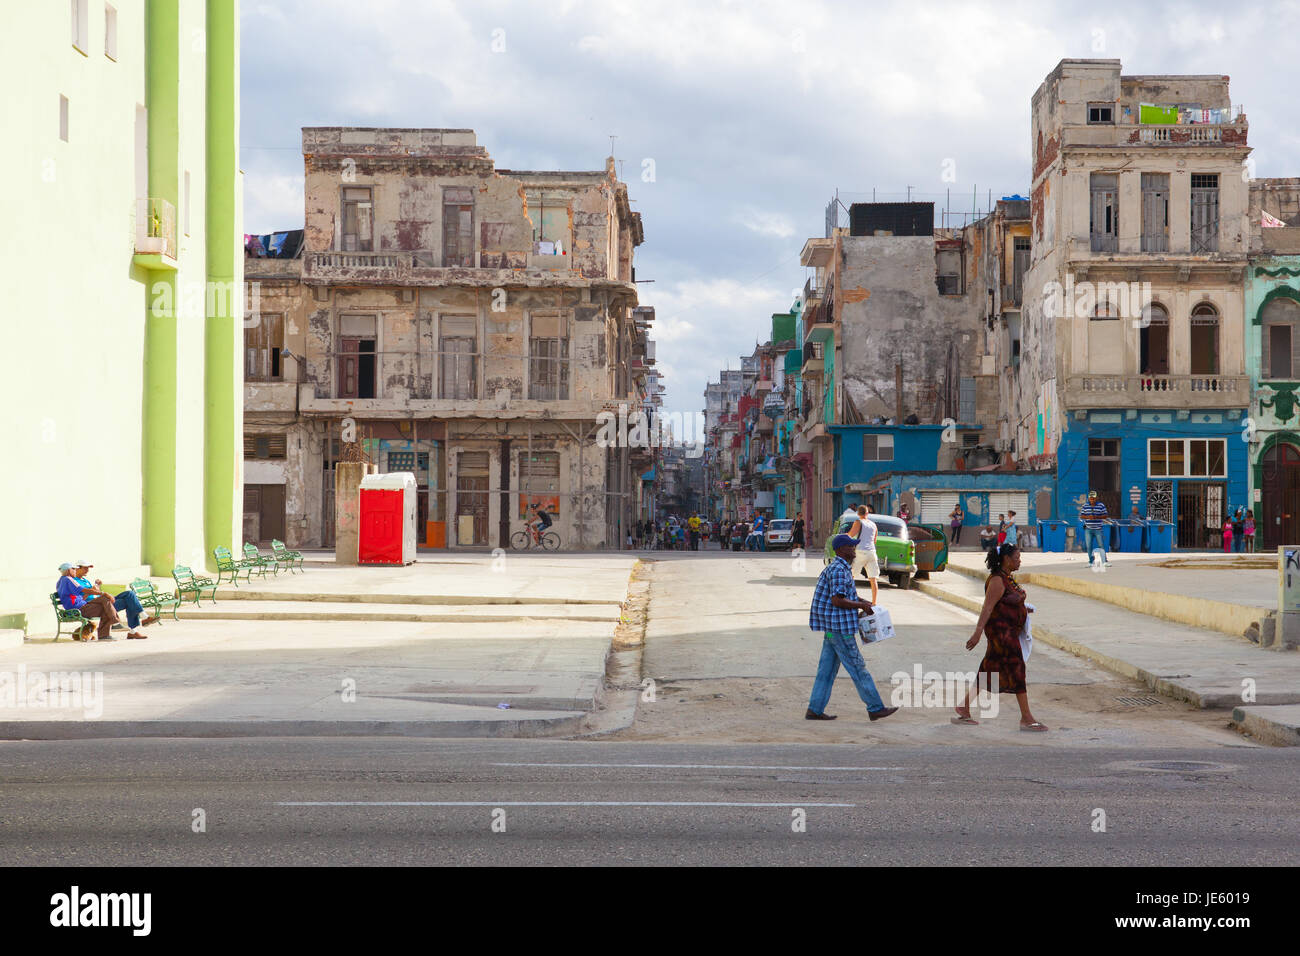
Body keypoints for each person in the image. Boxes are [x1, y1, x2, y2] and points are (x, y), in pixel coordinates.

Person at [951, 542, 1047, 731]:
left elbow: (1006, 602)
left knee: (988, 669)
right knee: (1017, 670)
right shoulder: (997, 581)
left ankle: (964, 707)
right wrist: (977, 633)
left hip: (1008, 632)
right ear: (1006, 559)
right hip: (1001, 634)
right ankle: (1026, 718)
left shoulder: (1007, 578)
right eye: (1017, 557)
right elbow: (987, 608)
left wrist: (1022, 609)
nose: (1020, 561)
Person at [804, 534, 898, 723]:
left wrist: (864, 602)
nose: (854, 549)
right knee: (858, 668)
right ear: (840, 550)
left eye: (854, 546)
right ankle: (875, 707)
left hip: (833, 630)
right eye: (850, 546)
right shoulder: (839, 570)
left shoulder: (840, 568)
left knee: (826, 670)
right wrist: (860, 606)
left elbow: (846, 595)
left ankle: (815, 709)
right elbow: (837, 600)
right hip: (840, 630)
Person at [73, 561, 155, 639]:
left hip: (100, 602)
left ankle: (143, 618)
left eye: (88, 568)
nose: (87, 570)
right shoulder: (74, 582)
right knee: (128, 601)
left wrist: (97, 586)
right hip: (91, 605)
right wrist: (91, 591)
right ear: (77, 568)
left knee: (129, 594)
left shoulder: (85, 580)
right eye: (85, 568)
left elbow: (94, 592)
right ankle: (135, 628)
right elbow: (79, 600)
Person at [55, 563, 123, 641]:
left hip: (80, 605)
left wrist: (101, 592)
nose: (75, 571)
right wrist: (104, 593)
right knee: (105, 605)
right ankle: (109, 628)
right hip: (79, 608)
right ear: (68, 570)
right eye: (73, 569)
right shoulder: (68, 579)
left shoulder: (60, 581)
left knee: (105, 601)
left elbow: (80, 593)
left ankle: (114, 623)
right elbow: (83, 590)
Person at [848, 504, 880, 604]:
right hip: (872, 552)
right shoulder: (873, 524)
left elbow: (850, 535)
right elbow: (874, 540)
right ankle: (874, 602)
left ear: (858, 513)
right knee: (873, 579)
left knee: (851, 577)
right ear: (867, 513)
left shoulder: (858, 522)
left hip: (861, 552)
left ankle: (849, 599)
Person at [1079, 491, 1109, 566]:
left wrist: (1096, 517)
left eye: (1093, 498)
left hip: (1098, 529)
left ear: (1096, 498)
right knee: (1089, 546)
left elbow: (1105, 516)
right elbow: (1082, 516)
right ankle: (1091, 562)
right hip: (1088, 529)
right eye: (1091, 498)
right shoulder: (1085, 506)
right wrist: (1088, 517)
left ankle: (1104, 561)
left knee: (1101, 545)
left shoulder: (1101, 505)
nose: (1092, 500)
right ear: (1089, 498)